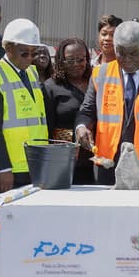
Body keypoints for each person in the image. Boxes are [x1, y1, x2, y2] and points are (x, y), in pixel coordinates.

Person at [76, 21, 139, 186]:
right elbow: (87, 111)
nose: (128, 59)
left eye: (134, 53)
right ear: (115, 48)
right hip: (108, 163)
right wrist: (81, 127)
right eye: (121, 53)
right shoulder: (100, 74)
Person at [0, 18, 48, 195]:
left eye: (34, 53)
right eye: (25, 53)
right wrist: (3, 168)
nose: (30, 59)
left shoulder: (32, 73)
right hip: (9, 171)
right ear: (8, 48)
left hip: (34, 165)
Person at [43, 38, 94, 185]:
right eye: (70, 60)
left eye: (81, 59)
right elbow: (48, 127)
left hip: (97, 159)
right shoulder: (50, 87)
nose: (77, 65)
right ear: (60, 61)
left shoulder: (96, 81)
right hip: (66, 160)